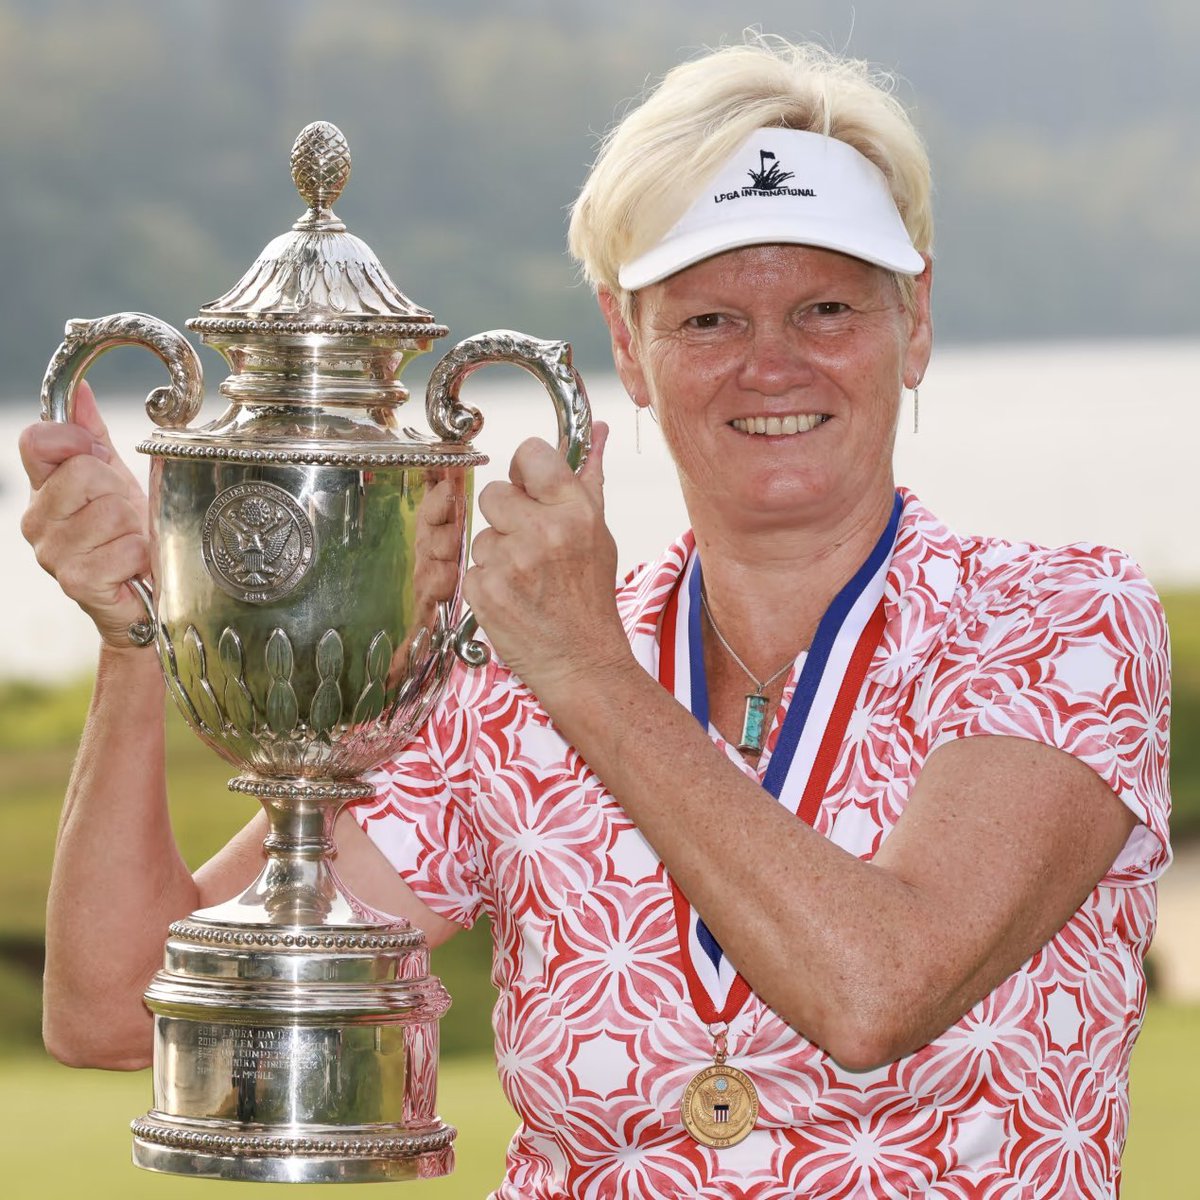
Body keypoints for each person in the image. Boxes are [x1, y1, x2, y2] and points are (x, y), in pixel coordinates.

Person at [20, 36, 1170, 1200]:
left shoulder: (1059, 621)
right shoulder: (509, 675)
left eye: (826, 309)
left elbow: (876, 990)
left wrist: (589, 669)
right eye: (710, 320)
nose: (773, 365)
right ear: (629, 343)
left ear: (912, 322)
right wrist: (137, 635)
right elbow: (117, 1008)